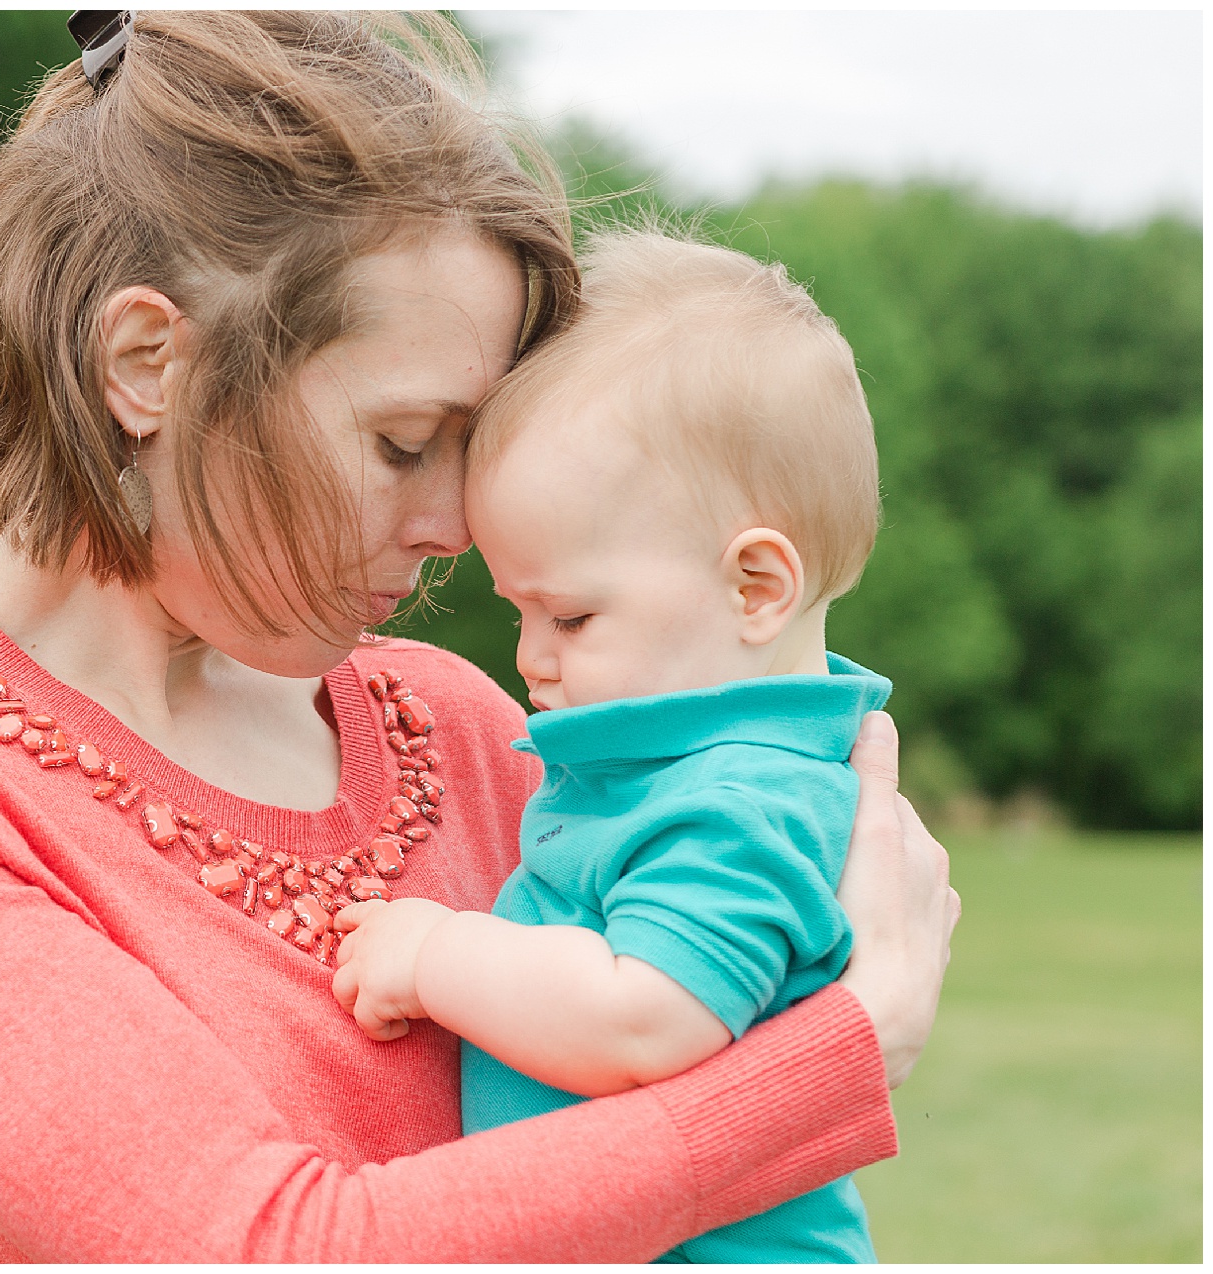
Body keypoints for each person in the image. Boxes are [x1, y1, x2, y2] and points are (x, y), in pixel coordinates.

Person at [0, 12, 958, 1262]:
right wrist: (845, 1052)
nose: (459, 520)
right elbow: (259, 1247)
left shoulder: (459, 719)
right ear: (147, 363)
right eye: (404, 442)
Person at [332, 229, 892, 1262]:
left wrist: (433, 952)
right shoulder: (677, 770)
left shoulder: (740, 797)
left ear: (754, 586)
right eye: (518, 612)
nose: (529, 658)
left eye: (571, 618)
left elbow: (644, 1017)